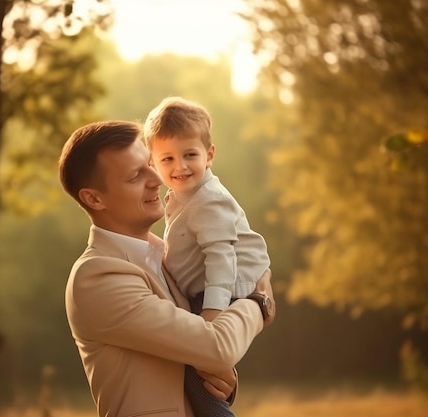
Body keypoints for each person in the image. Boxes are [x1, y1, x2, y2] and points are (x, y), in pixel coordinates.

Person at [58, 120, 275, 417]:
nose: (157, 179)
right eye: (136, 176)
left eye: (150, 163)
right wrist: (259, 301)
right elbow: (218, 345)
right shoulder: (96, 278)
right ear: (94, 198)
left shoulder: (169, 257)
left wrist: (219, 384)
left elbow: (199, 355)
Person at [144, 96, 272, 417]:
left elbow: (221, 260)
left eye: (190, 155)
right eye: (167, 159)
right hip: (205, 292)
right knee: (197, 371)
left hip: (221, 292)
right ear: (153, 163)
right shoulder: (181, 197)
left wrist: (212, 316)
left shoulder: (210, 200)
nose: (180, 166)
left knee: (196, 372)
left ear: (209, 155)